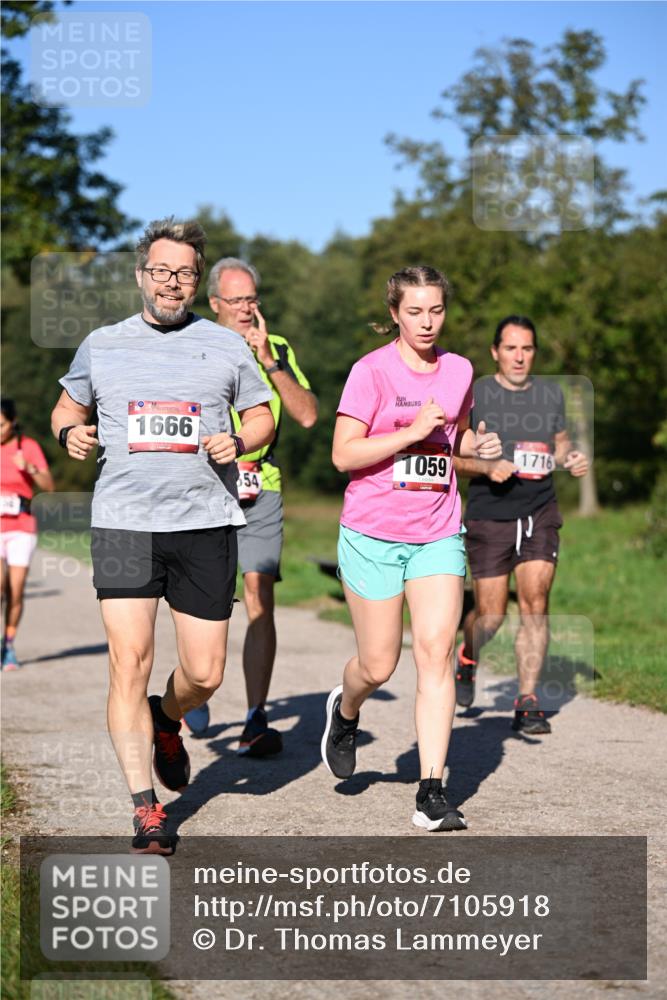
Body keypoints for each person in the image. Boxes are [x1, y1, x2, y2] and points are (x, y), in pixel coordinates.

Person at [51, 218, 274, 855]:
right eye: (160, 271)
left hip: (205, 521)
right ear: (141, 275)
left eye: (183, 273)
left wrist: (242, 437)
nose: (171, 282)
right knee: (130, 661)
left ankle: (166, 718)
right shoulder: (103, 343)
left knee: (204, 673)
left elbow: (259, 418)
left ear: (196, 283)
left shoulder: (227, 347)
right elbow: (67, 408)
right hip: (123, 520)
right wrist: (71, 433)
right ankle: (145, 806)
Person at [320, 265, 502, 832]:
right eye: (415, 311)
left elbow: (455, 436)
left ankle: (431, 791)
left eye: (436, 310)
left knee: (435, 651)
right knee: (378, 662)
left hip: (438, 530)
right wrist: (408, 430)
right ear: (395, 314)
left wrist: (479, 444)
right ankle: (345, 711)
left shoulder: (460, 369)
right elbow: (344, 456)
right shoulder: (369, 372)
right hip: (372, 532)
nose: (427, 322)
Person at [183, 258, 317, 753]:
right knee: (203, 599)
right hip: (203, 485)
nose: (245, 308)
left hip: (263, 482)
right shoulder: (193, 342)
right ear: (214, 303)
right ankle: (195, 685)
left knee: (259, 592)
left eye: (252, 299)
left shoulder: (276, 347)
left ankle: (255, 716)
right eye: (235, 300)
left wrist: (271, 362)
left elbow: (306, 416)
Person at [453, 315, 589, 733]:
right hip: (490, 514)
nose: (519, 356)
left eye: (527, 348)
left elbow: (560, 440)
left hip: (540, 510)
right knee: (491, 616)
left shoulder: (549, 394)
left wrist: (570, 456)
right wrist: (486, 467)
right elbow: (451, 457)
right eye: (511, 348)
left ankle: (527, 700)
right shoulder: (475, 394)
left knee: (535, 603)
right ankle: (467, 657)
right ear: (495, 351)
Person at [1, 399, 55, 670]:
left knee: (16, 591)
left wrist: (29, 468)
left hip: (21, 527)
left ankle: (8, 645)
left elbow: (49, 486)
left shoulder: (28, 447)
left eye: (1, 425)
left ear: (12, 422)